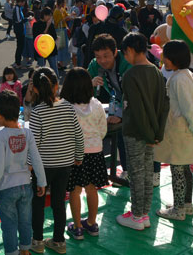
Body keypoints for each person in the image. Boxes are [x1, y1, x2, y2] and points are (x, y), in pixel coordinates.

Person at [116, 33, 169, 231]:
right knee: (147, 173)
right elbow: (164, 104)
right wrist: (157, 134)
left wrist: (148, 135)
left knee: (137, 175)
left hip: (136, 132)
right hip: (152, 132)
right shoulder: (156, 71)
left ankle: (137, 215)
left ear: (129, 50)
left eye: (125, 53)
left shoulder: (131, 75)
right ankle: (143, 213)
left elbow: (135, 110)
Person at [29, 67, 84, 254]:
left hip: (43, 167)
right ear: (56, 86)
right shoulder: (67, 106)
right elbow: (78, 135)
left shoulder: (37, 112)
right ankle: (59, 241)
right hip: (65, 164)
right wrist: (78, 157)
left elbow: (34, 144)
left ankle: (37, 240)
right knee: (59, 202)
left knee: (38, 203)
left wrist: (29, 165)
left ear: (35, 89)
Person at [155, 40, 193, 221]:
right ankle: (186, 205)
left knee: (177, 170)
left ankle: (178, 209)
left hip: (180, 130)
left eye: (166, 57)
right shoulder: (187, 74)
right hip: (185, 128)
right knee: (185, 169)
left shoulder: (178, 78)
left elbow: (187, 108)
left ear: (174, 58)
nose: (163, 60)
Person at [0, 90, 47, 255]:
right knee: (26, 221)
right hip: (26, 186)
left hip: (6, 188)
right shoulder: (27, 133)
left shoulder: (0, 136)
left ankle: (12, 252)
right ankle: (25, 250)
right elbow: (36, 159)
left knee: (9, 225)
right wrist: (42, 182)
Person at [61, 68, 108, 239]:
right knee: (91, 189)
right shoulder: (96, 104)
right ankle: (92, 223)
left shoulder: (65, 107)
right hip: (95, 152)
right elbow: (103, 129)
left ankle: (78, 226)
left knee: (74, 190)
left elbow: (64, 134)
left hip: (75, 155)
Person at [87, 33, 131, 176]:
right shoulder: (94, 65)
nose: (102, 61)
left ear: (115, 51)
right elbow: (82, 89)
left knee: (130, 139)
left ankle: (133, 173)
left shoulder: (126, 62)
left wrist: (120, 114)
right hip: (117, 102)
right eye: (98, 57)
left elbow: (132, 93)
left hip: (134, 102)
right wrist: (90, 85)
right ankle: (125, 170)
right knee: (119, 137)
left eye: (106, 56)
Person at [32, 7, 59, 76]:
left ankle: (56, 84)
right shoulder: (36, 25)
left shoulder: (51, 25)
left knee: (54, 69)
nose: (50, 17)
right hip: (41, 50)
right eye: (49, 15)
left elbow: (54, 37)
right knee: (41, 70)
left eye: (51, 16)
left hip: (51, 49)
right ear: (44, 15)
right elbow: (39, 38)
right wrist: (47, 26)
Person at [53, 0, 70, 69]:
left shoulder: (62, 9)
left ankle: (61, 63)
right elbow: (58, 22)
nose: (65, 4)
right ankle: (59, 63)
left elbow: (67, 17)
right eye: (64, 2)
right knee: (60, 47)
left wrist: (70, 16)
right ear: (61, 3)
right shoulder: (57, 11)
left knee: (63, 47)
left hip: (62, 29)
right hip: (59, 30)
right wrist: (66, 18)